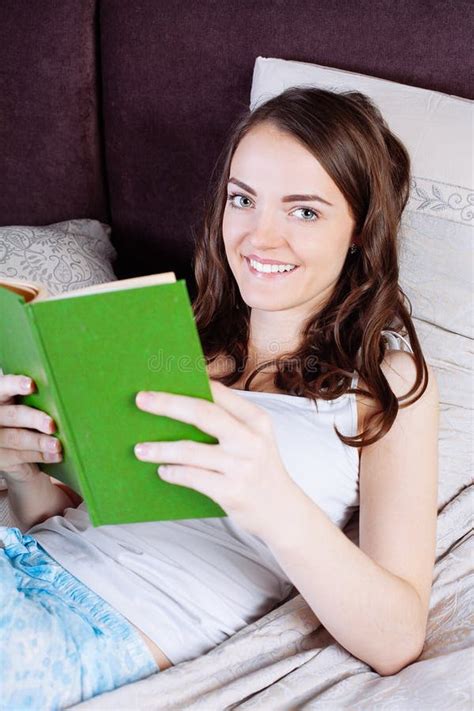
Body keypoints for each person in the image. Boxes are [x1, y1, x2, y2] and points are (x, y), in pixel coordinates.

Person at [0, 86, 439, 709]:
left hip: (100, 627)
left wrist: (271, 497)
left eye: (305, 211)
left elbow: (396, 636)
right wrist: (21, 468)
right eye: (243, 200)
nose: (261, 238)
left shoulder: (384, 384)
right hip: (26, 564)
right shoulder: (172, 343)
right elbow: (64, 518)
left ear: (361, 230)